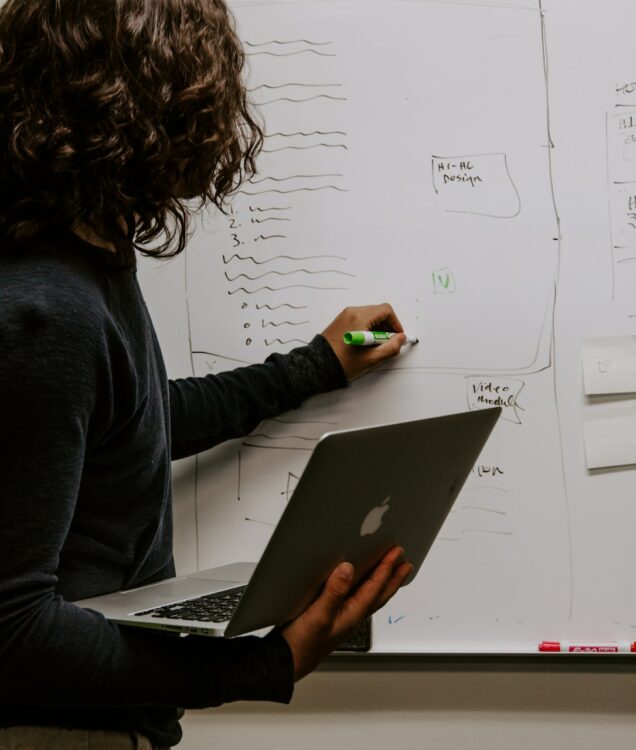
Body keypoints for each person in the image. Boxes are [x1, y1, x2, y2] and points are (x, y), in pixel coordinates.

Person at [0, 1, 413, 748]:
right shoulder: (45, 307)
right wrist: (264, 665)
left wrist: (318, 365)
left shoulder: (83, 261)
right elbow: (10, 635)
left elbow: (135, 422)